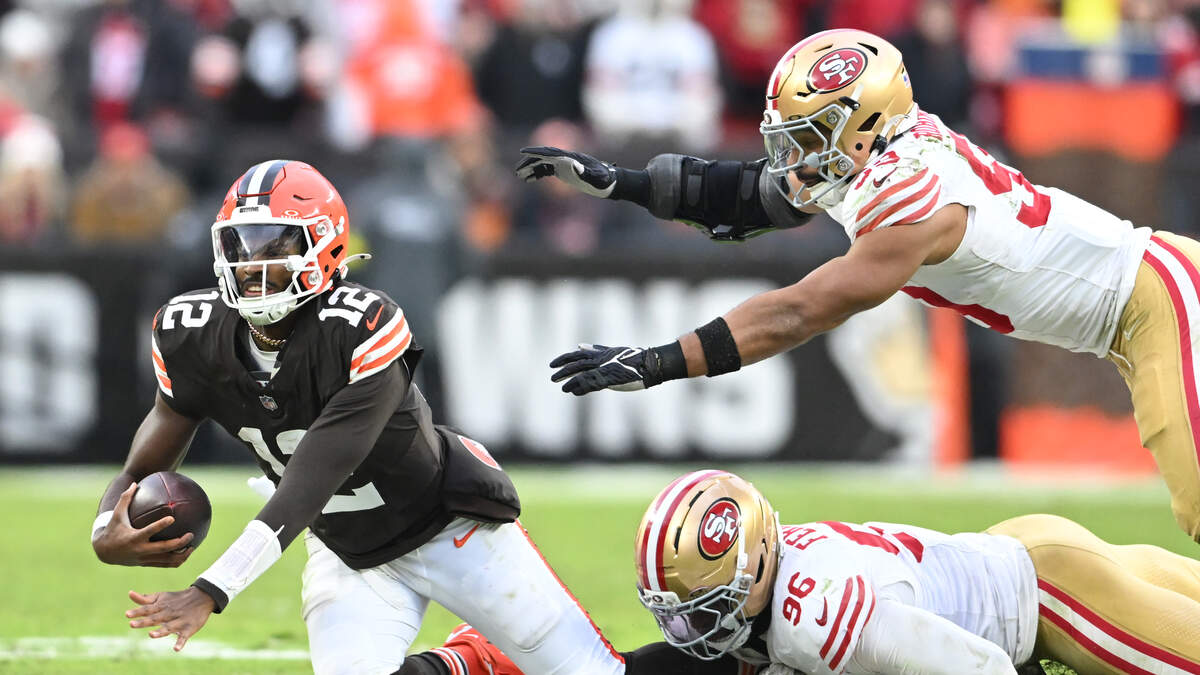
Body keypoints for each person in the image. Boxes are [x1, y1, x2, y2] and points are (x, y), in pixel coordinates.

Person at [517, 28, 1200, 543]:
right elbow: (752, 196)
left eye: (810, 134)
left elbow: (801, 310)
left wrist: (659, 361)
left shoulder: (911, 194)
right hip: (1136, 314)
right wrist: (623, 183)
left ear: (866, 124)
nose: (794, 155)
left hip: (1157, 302)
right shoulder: (880, 153)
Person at [88, 159, 630, 675]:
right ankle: (468, 661)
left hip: (448, 526)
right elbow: (143, 463)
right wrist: (106, 527)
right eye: (240, 245)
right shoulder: (190, 331)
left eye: (275, 245)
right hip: (347, 548)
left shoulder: (360, 326)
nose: (252, 264)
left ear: (325, 246)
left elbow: (311, 480)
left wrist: (211, 590)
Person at [465, 469, 1200, 674]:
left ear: (756, 566)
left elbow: (981, 668)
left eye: (704, 609)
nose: (691, 633)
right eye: (677, 613)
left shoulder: (812, 615)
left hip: (1051, 596)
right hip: (1020, 554)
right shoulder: (770, 597)